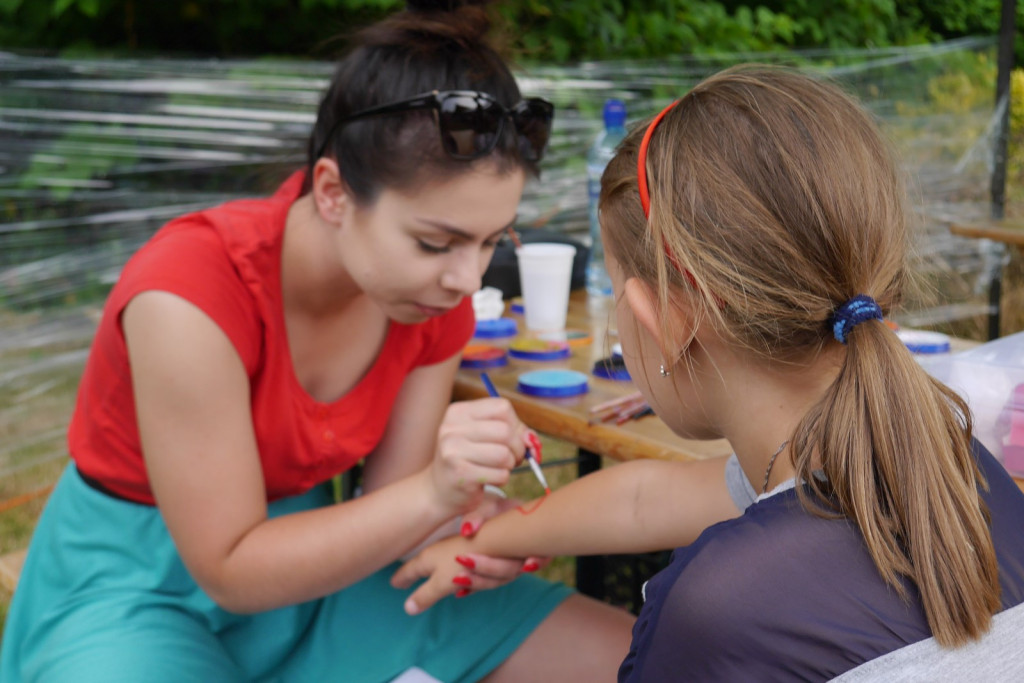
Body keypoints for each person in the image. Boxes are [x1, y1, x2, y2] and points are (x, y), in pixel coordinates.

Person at [0, 2, 636, 681]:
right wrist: (432, 495)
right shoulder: (188, 294)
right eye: (435, 241)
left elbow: (393, 511)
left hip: (326, 573)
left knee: (632, 652)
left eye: (491, 240)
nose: (466, 277)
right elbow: (233, 569)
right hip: (137, 590)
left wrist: (485, 527)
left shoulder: (428, 302)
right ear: (332, 192)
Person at [392, 65, 1024, 681]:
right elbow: (644, 500)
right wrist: (492, 536)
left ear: (664, 319)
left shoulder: (721, 608)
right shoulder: (946, 463)